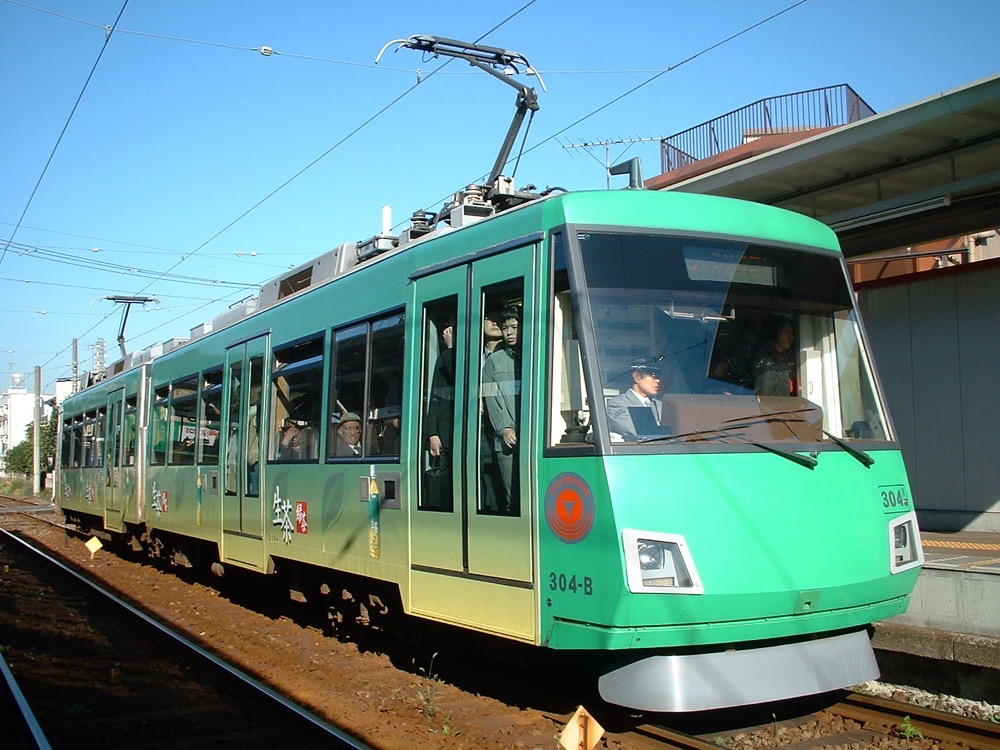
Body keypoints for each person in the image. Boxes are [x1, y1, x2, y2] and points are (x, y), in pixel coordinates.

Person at [482, 305, 521, 513]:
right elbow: (491, 400)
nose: (509, 333)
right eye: (505, 328)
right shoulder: (493, 362)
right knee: (513, 499)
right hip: (506, 442)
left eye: (514, 327)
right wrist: (504, 428)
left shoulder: (535, 356)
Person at [607, 361, 665, 441]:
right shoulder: (617, 404)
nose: (658, 381)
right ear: (636, 377)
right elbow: (639, 432)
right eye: (653, 376)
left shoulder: (659, 404)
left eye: (658, 377)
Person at [753, 315, 797, 396]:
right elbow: (766, 398)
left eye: (791, 332)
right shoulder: (767, 362)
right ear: (775, 333)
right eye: (786, 332)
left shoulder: (790, 358)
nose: (790, 336)